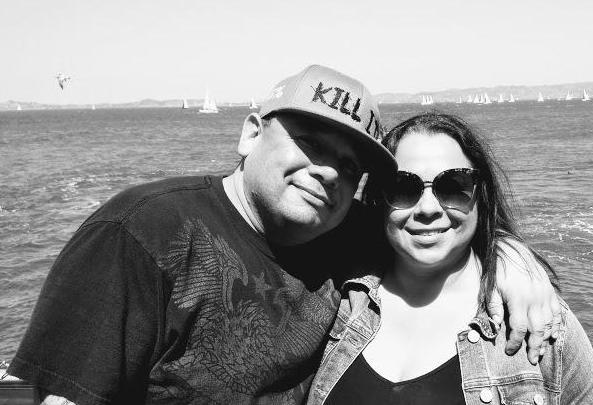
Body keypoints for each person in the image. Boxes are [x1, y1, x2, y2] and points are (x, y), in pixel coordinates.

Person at [9, 66, 562, 405]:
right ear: (251, 133)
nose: (327, 172)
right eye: (311, 143)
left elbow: (435, 226)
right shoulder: (141, 232)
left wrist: (511, 258)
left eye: (350, 164)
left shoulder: (345, 237)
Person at [308, 113, 593, 404]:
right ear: (379, 200)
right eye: (402, 187)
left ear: (480, 195)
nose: (428, 208)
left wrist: (510, 253)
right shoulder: (338, 293)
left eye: (453, 187)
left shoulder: (539, 319)